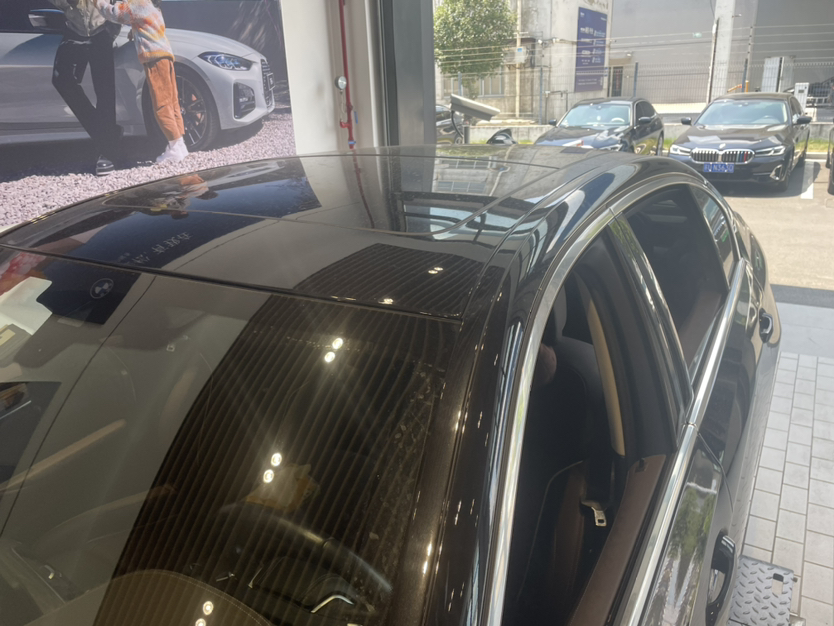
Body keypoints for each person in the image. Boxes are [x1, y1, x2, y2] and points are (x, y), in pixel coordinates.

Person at [94, 0, 188, 164]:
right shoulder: (152, 5)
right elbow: (146, 24)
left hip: (154, 58)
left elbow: (115, 14)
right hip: (165, 56)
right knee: (172, 102)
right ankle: (179, 144)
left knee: (161, 105)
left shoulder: (138, 2)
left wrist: (98, 2)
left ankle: (174, 148)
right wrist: (135, 31)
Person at [48, 0, 122, 176]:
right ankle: (107, 134)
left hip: (102, 30)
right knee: (61, 79)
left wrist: (113, 26)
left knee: (104, 89)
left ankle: (108, 152)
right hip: (75, 30)